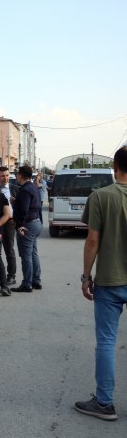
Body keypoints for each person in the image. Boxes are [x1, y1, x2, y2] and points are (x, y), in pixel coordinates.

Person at [74, 146, 127, 421]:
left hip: (110, 280)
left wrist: (86, 277)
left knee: (106, 342)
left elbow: (92, 240)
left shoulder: (101, 196)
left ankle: (104, 402)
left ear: (115, 167)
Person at [11, 166, 42, 293]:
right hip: (36, 223)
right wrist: (16, 201)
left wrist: (20, 225)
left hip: (27, 224)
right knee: (33, 253)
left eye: (17, 174)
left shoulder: (24, 190)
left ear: (21, 175)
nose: (17, 177)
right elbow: (36, 205)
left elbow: (24, 210)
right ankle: (36, 280)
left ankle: (27, 283)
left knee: (26, 255)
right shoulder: (34, 187)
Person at [0, 166, 19, 285]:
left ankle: (11, 276)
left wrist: (17, 218)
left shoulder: (14, 189)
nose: (5, 178)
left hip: (9, 223)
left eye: (7, 175)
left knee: (9, 249)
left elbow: (21, 207)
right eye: (2, 176)